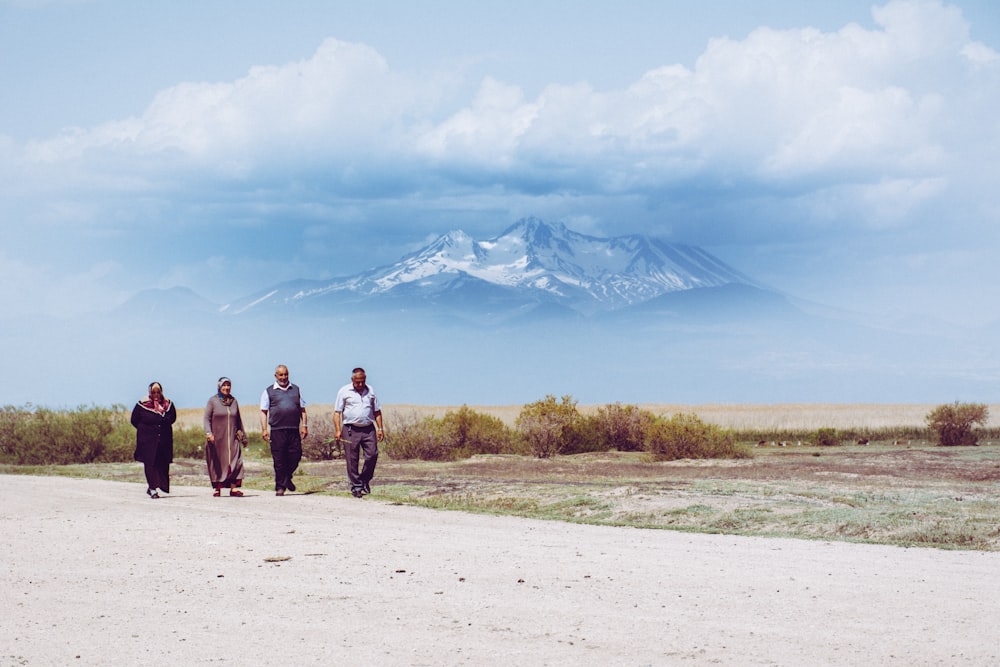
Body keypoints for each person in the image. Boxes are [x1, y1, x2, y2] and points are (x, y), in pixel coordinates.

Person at [334, 367, 384, 498]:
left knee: (372, 455)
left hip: (368, 428)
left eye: (362, 381)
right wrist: (338, 430)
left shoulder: (371, 391)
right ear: (352, 380)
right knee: (352, 459)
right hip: (350, 429)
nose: (360, 384)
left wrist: (380, 428)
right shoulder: (344, 391)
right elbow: (337, 412)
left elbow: (377, 411)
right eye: (357, 382)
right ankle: (356, 486)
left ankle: (364, 480)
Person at [260, 365, 307, 496]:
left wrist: (304, 426)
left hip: (293, 429)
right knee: (279, 459)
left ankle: (286, 478)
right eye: (280, 375)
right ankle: (280, 486)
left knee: (296, 455)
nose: (283, 377)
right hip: (277, 430)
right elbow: (263, 412)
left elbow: (302, 409)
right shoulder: (268, 391)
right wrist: (264, 429)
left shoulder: (296, 389)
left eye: (285, 374)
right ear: (275, 376)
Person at [203, 376, 248, 497]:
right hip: (217, 440)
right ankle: (217, 488)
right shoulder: (213, 401)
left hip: (232, 439)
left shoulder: (234, 401)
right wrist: (209, 433)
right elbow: (206, 419)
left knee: (236, 462)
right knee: (218, 463)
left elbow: (238, 420)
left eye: (228, 385)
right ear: (219, 387)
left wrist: (244, 437)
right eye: (224, 385)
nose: (226, 388)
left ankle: (233, 489)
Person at [131, 381, 176, 499]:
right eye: (154, 392)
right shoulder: (142, 405)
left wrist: (163, 423)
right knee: (150, 464)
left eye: (158, 392)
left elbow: (172, 417)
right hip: (147, 441)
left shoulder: (168, 404)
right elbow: (134, 420)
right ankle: (152, 489)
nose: (156, 394)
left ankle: (157, 485)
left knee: (162, 463)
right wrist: (145, 430)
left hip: (163, 440)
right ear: (150, 393)